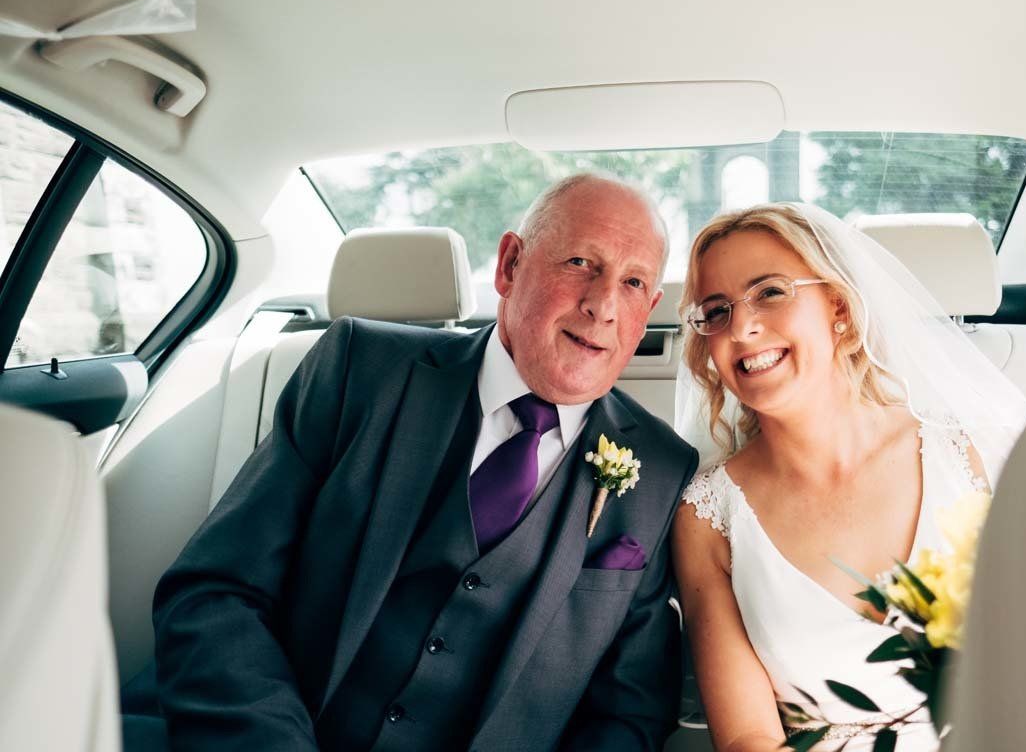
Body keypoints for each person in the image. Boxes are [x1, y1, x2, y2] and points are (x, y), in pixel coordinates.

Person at [150, 173, 699, 752]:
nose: (603, 305)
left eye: (634, 282)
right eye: (581, 263)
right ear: (510, 265)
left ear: (651, 307)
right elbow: (214, 592)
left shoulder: (659, 470)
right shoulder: (357, 372)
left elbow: (628, 710)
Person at [670, 203, 1026, 751]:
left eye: (769, 291)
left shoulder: (975, 456)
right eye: (715, 310)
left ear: (838, 306)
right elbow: (748, 737)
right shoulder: (707, 517)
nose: (741, 327)